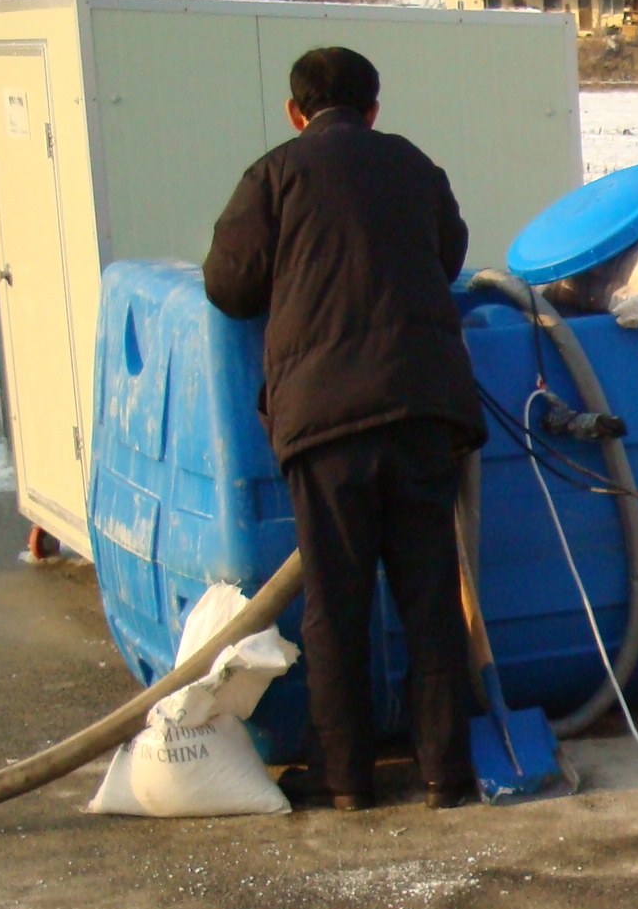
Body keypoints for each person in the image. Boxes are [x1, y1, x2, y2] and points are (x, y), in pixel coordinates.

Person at [203, 45, 485, 811]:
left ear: (296, 112)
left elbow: (228, 285)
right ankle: (445, 770)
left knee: (337, 603)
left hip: (325, 420)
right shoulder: (414, 167)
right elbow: (448, 255)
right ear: (373, 108)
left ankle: (345, 775)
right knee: (431, 595)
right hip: (422, 407)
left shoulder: (275, 174)